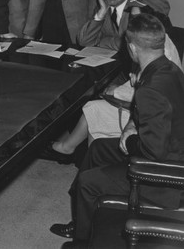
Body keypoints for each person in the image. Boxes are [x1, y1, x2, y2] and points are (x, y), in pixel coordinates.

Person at [50, 14, 184, 247]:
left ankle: (82, 242)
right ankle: (84, 219)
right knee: (99, 149)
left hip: (164, 179)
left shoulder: (150, 88)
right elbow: (154, 118)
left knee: (89, 182)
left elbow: (155, 153)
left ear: (132, 48)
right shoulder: (169, 69)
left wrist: (130, 139)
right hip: (173, 152)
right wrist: (132, 125)